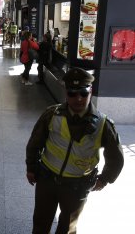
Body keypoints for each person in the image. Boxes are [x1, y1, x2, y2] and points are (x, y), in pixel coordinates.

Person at [25, 67, 124, 234]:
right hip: (47, 179)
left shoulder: (103, 124)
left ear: (90, 92)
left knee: (68, 226)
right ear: (66, 92)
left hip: (77, 185)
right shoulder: (52, 114)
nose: (78, 99)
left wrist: (105, 179)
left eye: (83, 93)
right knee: (41, 221)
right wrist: (31, 167)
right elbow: (35, 142)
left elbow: (116, 158)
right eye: (72, 93)